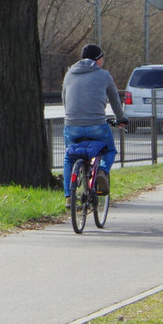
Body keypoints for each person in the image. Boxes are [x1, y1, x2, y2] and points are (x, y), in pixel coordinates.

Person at [61, 44, 128, 208]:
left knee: (70, 156)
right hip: (96, 125)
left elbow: (65, 100)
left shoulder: (69, 74)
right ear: (98, 59)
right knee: (110, 149)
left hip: (72, 125)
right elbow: (114, 100)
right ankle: (102, 172)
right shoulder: (104, 75)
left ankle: (69, 195)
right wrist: (121, 118)